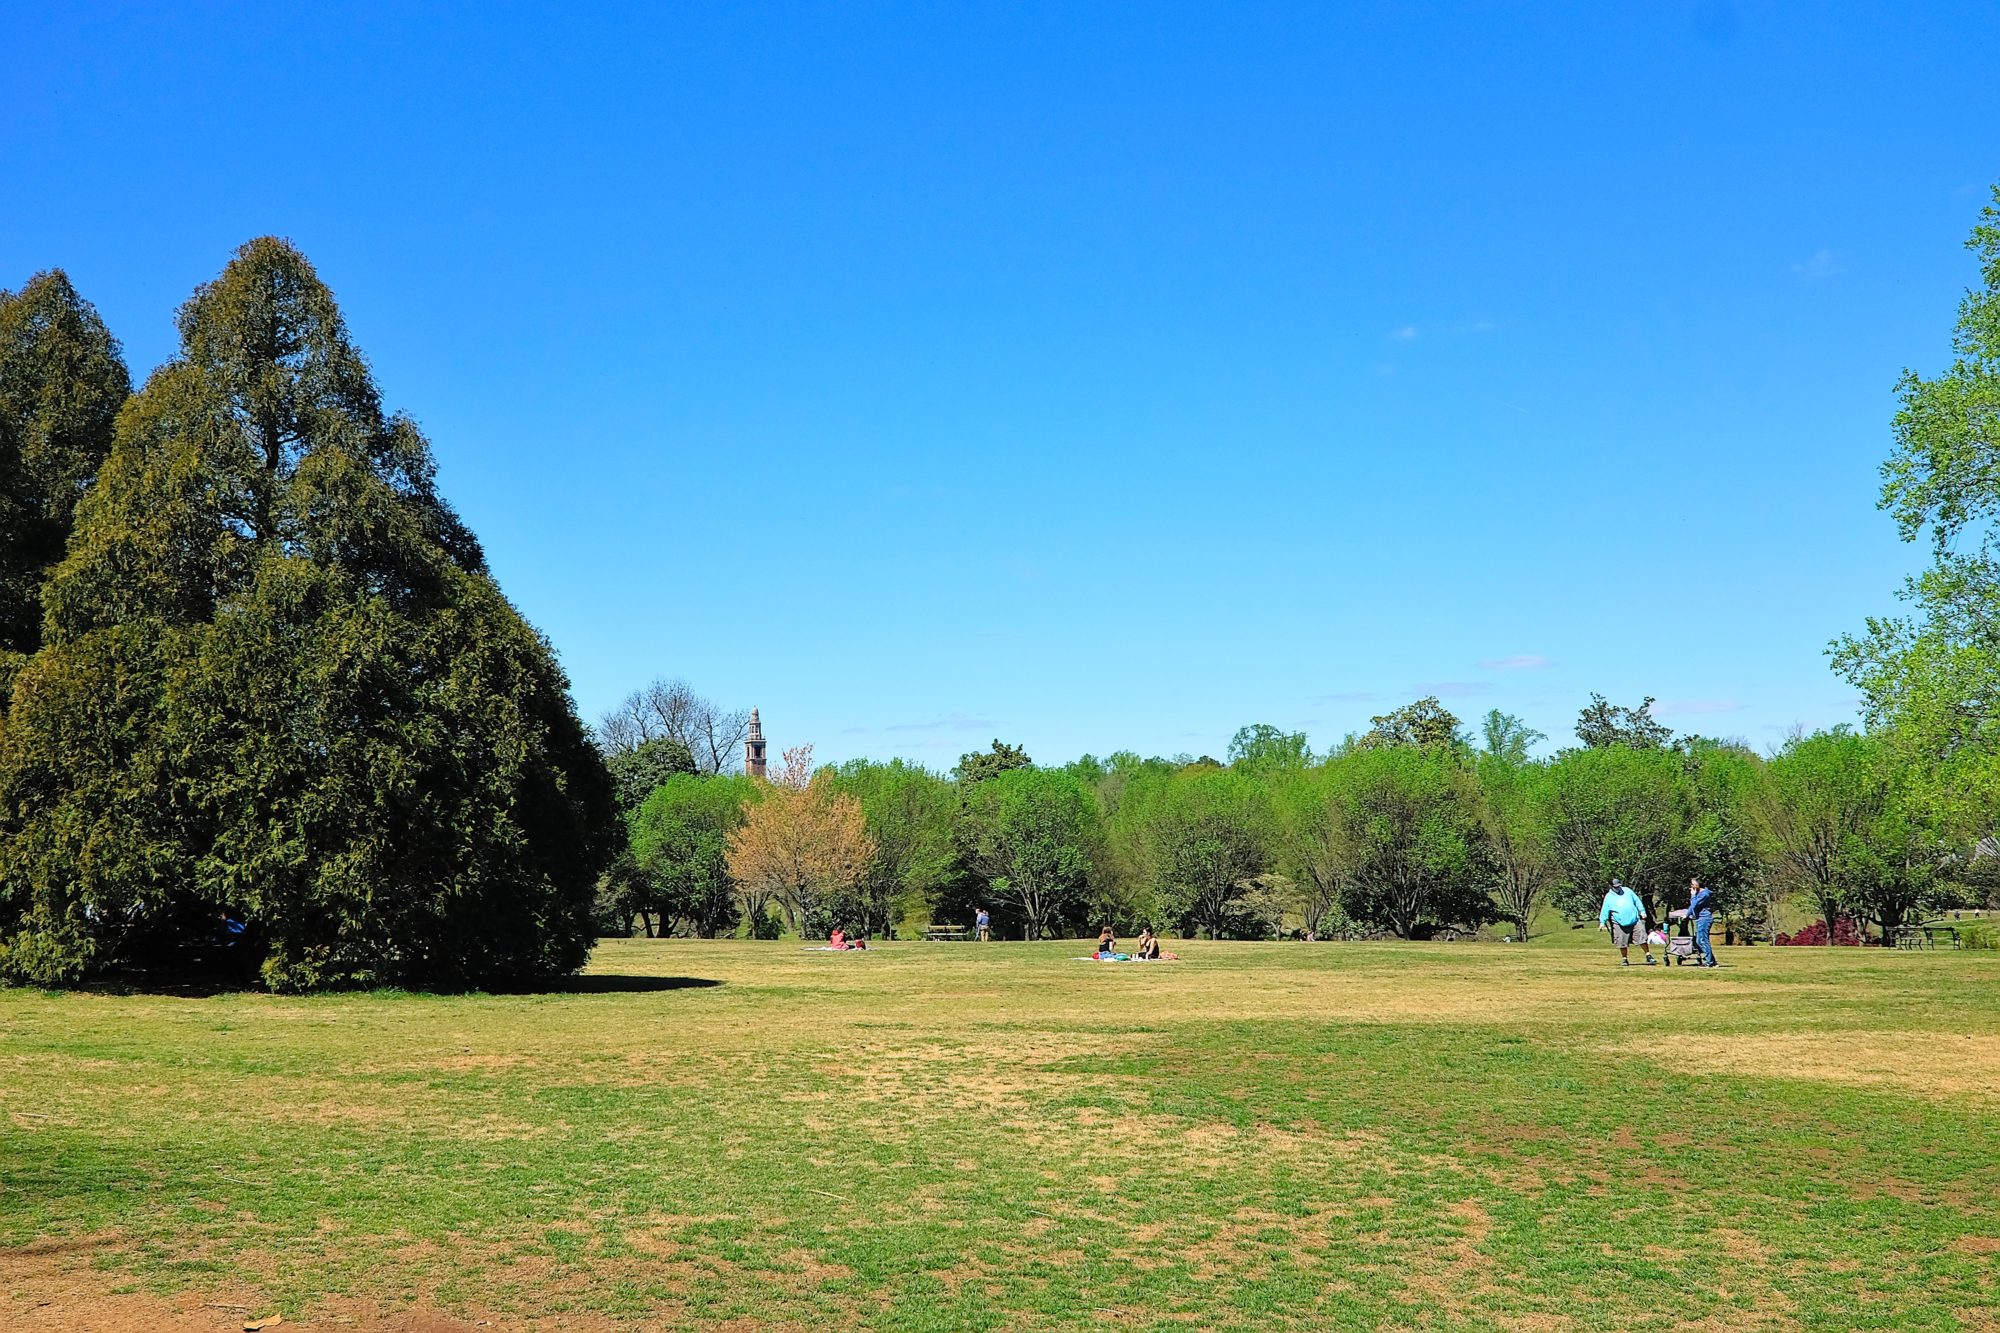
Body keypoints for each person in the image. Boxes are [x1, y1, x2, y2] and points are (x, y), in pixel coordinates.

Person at [1597, 878, 1655, 966]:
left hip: (1634, 920)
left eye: (1619, 886)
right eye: (1615, 887)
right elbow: (1604, 910)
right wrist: (1602, 922)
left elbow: (1637, 901)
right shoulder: (1608, 897)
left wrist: (1642, 911)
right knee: (1622, 942)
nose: (1618, 888)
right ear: (1611, 887)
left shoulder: (1627, 891)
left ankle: (1648, 955)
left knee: (1642, 937)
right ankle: (1625, 959)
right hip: (1619, 923)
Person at [1686, 878, 1719, 968]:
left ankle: (1709, 962)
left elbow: (1694, 904)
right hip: (1700, 919)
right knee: (1699, 941)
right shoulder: (1699, 893)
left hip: (1705, 919)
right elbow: (1692, 907)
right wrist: (1686, 915)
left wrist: (1692, 895)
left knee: (1703, 941)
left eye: (1693, 884)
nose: (1691, 886)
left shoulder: (1704, 894)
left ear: (1698, 885)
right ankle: (1712, 961)